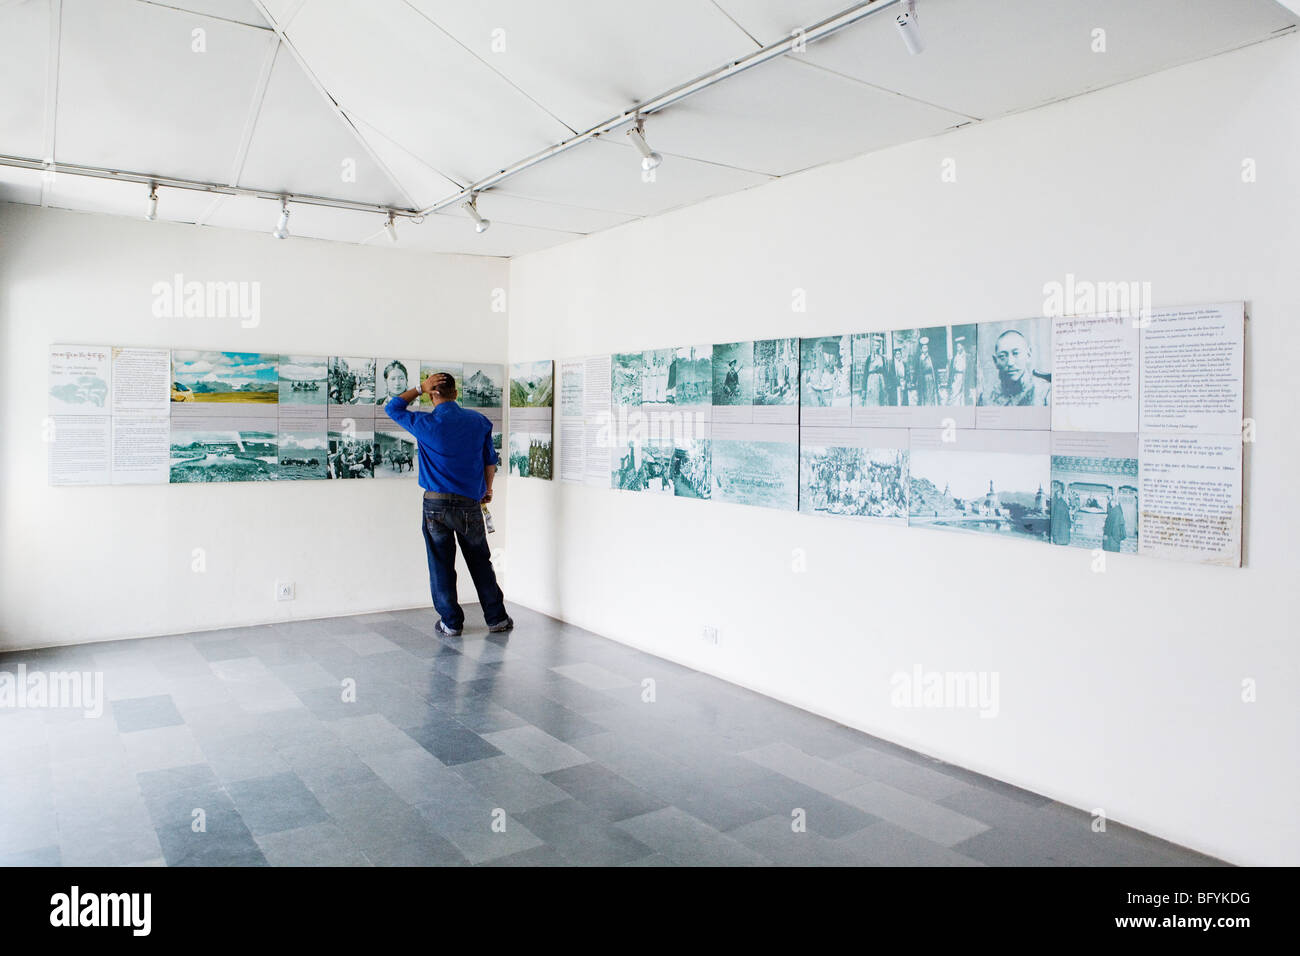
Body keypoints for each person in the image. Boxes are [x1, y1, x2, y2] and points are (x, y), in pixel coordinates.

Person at [384, 372, 513, 636]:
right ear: (456, 393)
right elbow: (490, 461)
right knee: (480, 561)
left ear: (433, 395)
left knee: (441, 563)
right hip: (469, 503)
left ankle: (451, 622)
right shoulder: (478, 421)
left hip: (435, 505)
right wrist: (487, 489)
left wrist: (420, 387)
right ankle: (496, 618)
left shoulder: (424, 423)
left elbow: (392, 407)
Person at [979, 329, 1051, 406]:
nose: (1010, 362)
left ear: (1028, 354)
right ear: (995, 361)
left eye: (1016, 353)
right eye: (1002, 356)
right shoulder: (985, 398)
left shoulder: (1045, 392)